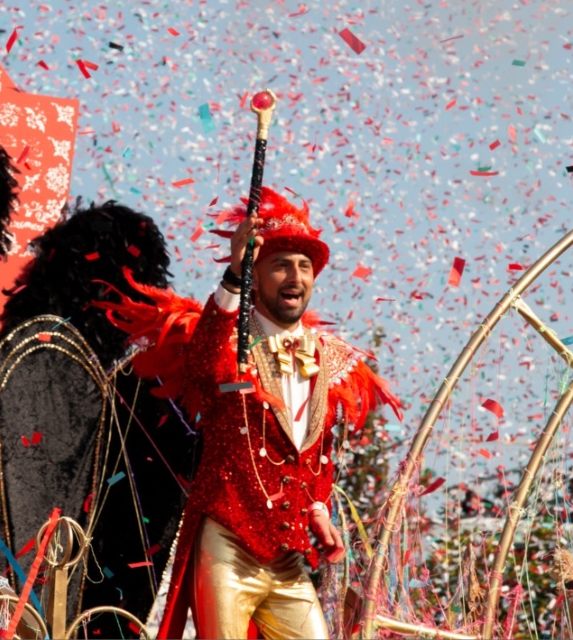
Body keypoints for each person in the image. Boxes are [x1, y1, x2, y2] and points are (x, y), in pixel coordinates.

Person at [103, 187, 401, 639]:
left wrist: (319, 508)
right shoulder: (230, 342)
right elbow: (203, 364)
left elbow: (318, 453)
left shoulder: (333, 359)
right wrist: (232, 277)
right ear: (256, 275)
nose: (294, 276)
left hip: (286, 557)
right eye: (280, 264)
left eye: (304, 266)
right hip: (227, 542)